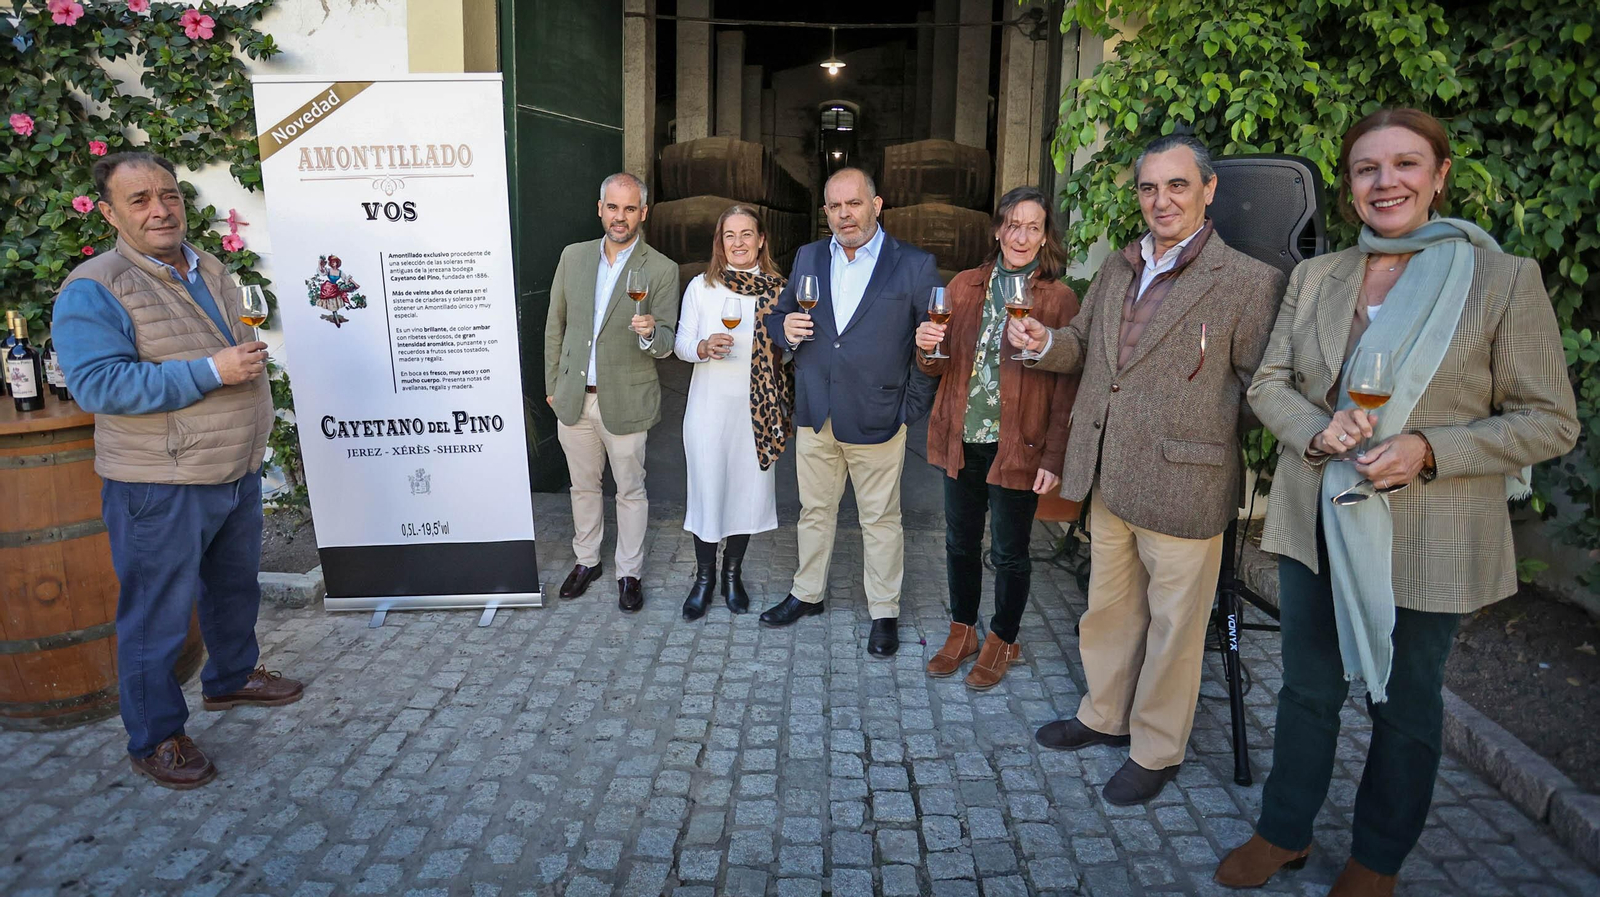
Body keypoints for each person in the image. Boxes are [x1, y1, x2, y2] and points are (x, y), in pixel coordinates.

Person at [1216, 109, 1579, 897]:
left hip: (1431, 527)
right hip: (1319, 514)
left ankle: (1377, 857)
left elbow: (1551, 419)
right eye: (1367, 169)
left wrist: (1430, 449)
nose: (1387, 182)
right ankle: (1285, 831)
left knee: (1405, 702)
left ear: (1440, 174)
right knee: (1307, 687)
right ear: (1348, 186)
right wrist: (1318, 431)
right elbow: (1269, 383)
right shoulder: (1319, 276)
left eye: (1406, 164)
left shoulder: (1499, 278)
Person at [1009, 134, 1286, 804]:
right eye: (1149, 187)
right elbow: (1085, 349)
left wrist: (1193, 429)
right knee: (1106, 610)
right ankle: (1103, 715)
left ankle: (1157, 749)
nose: (1161, 200)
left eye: (1177, 185)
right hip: (1109, 474)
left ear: (1208, 190)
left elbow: (1261, 388)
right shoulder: (1119, 267)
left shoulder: (1248, 282)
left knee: (1174, 629)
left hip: (1185, 482)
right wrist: (1045, 343)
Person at [51, 151, 302, 790]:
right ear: (108, 212)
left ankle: (230, 677)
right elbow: (97, 385)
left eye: (169, 195)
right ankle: (156, 735)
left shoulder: (208, 266)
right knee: (156, 615)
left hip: (230, 466)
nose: (160, 209)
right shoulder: (95, 287)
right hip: (158, 482)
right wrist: (212, 371)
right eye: (139, 200)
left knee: (232, 587)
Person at [758, 167, 942, 657]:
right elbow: (777, 317)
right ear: (826, 213)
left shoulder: (914, 266)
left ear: (876, 206)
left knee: (880, 519)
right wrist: (785, 329)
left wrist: (910, 407)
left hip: (879, 415)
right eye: (835, 207)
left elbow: (934, 344)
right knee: (814, 511)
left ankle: (884, 611)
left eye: (854, 204)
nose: (845, 215)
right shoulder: (809, 256)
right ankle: (807, 593)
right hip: (818, 411)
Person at [913, 185, 1080, 689]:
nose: (1021, 236)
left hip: (1019, 445)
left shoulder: (1057, 298)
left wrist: (1055, 454)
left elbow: (1067, 385)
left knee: (1009, 551)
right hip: (962, 437)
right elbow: (939, 367)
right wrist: (927, 348)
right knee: (959, 543)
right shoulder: (964, 286)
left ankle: (1004, 637)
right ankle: (963, 629)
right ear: (997, 229)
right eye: (1013, 224)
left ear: (1046, 235)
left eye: (1033, 226)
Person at [544, 172, 680, 613]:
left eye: (629, 208)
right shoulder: (573, 256)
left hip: (626, 398)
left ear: (643, 213)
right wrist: (552, 386)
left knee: (630, 490)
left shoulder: (660, 268)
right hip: (574, 397)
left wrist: (648, 333)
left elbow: (666, 342)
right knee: (583, 487)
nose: (620, 217)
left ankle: (629, 572)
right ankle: (587, 561)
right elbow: (555, 326)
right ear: (600, 208)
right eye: (612, 207)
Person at [673, 205, 792, 620]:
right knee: (708, 493)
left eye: (746, 234)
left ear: (761, 240)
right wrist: (703, 347)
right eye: (729, 236)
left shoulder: (779, 290)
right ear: (719, 243)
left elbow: (790, 354)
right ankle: (703, 579)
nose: (738, 243)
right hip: (708, 411)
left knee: (746, 492)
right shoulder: (701, 288)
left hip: (756, 415)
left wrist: (790, 346)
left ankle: (731, 575)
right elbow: (682, 344)